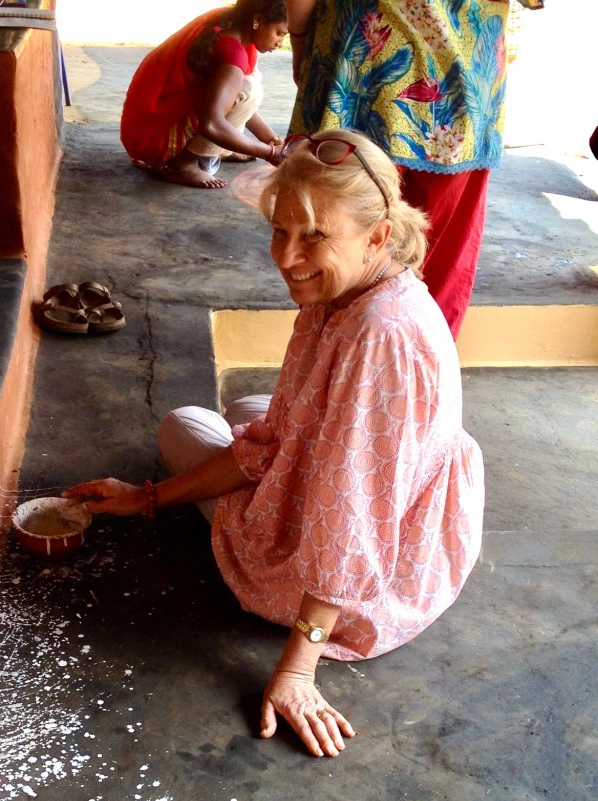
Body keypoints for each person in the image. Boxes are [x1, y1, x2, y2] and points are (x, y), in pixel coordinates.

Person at [64, 129, 485, 758]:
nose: (287, 256)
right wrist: (143, 497)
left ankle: (291, 603)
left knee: (182, 425)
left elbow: (353, 521)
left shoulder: (380, 334)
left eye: (314, 235)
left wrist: (296, 673)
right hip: (395, 510)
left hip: (374, 579)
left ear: (377, 237)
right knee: (246, 412)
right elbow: (276, 437)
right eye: (280, 231)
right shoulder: (351, 286)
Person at [285, 0, 512, 339]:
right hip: (465, 69)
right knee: (443, 254)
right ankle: (421, 366)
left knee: (335, 233)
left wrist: (300, 37)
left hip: (364, 58)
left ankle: (334, 362)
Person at [120, 0, 289, 190]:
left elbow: (230, 99)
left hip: (142, 126)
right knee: (251, 89)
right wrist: (269, 153)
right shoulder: (233, 52)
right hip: (154, 137)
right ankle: (181, 166)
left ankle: (222, 147)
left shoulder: (227, 22)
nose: (280, 43)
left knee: (249, 82)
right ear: (257, 20)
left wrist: (272, 140)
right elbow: (212, 124)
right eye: (279, 33)